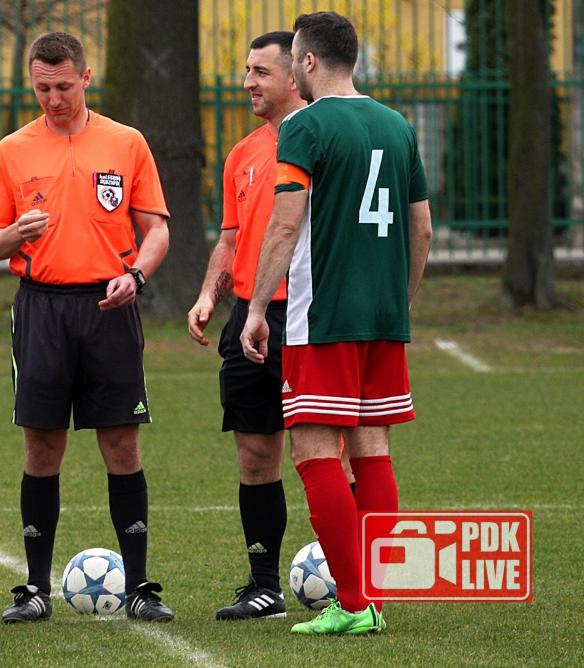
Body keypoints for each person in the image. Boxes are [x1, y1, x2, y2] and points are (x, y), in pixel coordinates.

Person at [0, 31, 174, 623]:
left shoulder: (125, 142)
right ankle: (35, 588)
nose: (53, 99)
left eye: (63, 86)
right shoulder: (12, 150)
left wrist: (136, 275)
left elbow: (157, 229)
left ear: (85, 78)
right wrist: (15, 234)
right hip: (42, 310)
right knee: (42, 445)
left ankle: (139, 587)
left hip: (110, 306)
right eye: (42, 88)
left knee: (122, 443)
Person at [239, 12, 433, 635]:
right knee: (373, 448)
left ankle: (352, 604)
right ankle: (376, 595)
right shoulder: (398, 126)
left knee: (315, 451)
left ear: (309, 61)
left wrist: (255, 309)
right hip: (383, 315)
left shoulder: (304, 125)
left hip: (322, 316)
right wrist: (399, 301)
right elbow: (422, 229)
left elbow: (285, 224)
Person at [187, 31, 305, 622]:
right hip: (247, 317)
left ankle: (355, 580)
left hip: (307, 314)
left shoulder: (323, 140)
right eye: (247, 70)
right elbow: (231, 240)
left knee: (328, 453)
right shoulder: (242, 153)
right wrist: (208, 295)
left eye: (260, 71)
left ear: (295, 75)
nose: (247, 82)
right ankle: (265, 586)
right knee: (256, 454)